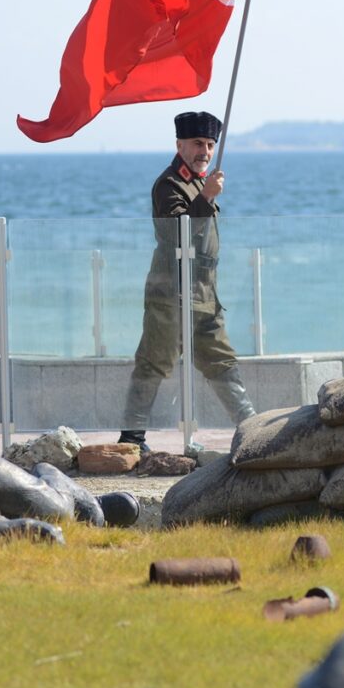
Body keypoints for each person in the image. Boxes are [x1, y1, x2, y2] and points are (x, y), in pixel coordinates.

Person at [118, 112, 256, 452]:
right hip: (171, 295)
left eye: (210, 145)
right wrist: (206, 198)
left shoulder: (198, 182)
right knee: (153, 362)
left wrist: (205, 194)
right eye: (197, 144)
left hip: (204, 294)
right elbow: (177, 235)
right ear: (180, 145)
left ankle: (253, 429)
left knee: (222, 361)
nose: (205, 152)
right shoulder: (169, 184)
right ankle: (132, 438)